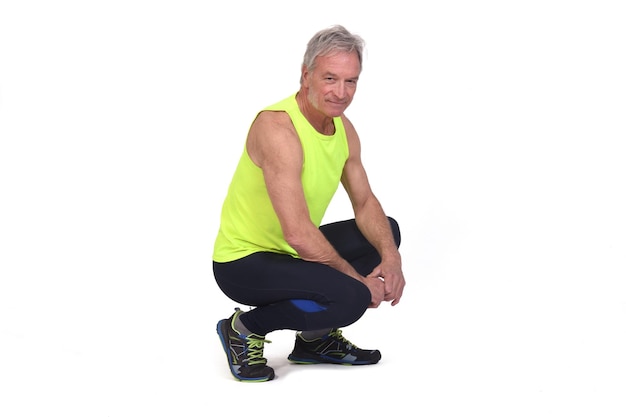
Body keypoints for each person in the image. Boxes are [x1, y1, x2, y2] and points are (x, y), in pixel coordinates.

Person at [213, 24, 405, 382]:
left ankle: (315, 341)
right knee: (349, 299)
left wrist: (391, 258)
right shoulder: (278, 128)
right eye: (330, 78)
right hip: (244, 262)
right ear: (306, 76)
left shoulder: (343, 128)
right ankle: (244, 328)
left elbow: (364, 203)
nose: (341, 92)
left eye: (351, 81)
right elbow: (299, 234)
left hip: (291, 253)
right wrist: (360, 283)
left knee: (386, 233)